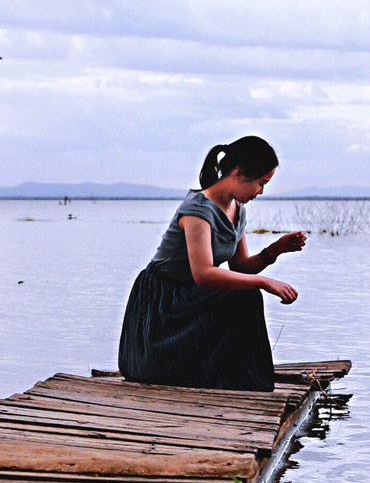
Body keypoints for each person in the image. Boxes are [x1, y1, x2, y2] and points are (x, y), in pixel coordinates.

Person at [117, 135, 307, 391]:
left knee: (245, 296)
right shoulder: (198, 210)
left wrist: (275, 250)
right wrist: (264, 282)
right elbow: (204, 274)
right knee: (248, 293)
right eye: (261, 183)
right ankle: (176, 364)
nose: (261, 192)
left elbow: (240, 266)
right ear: (238, 173)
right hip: (164, 306)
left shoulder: (238, 209)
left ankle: (241, 378)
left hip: (192, 298)